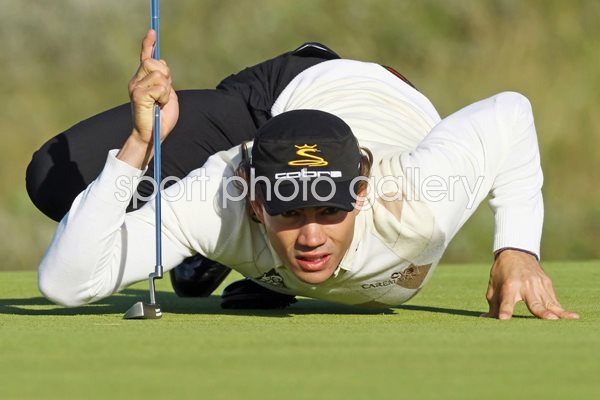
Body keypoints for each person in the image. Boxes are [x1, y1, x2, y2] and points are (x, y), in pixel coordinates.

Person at [27, 30, 579, 320]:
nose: (312, 235)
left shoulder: (418, 199)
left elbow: (511, 111)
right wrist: (142, 144)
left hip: (354, 91)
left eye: (328, 210)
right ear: (253, 203)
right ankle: (208, 252)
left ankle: (223, 258)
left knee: (215, 235)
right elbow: (65, 281)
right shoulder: (218, 195)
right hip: (273, 101)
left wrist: (518, 249)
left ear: (360, 196)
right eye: (291, 211)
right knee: (54, 180)